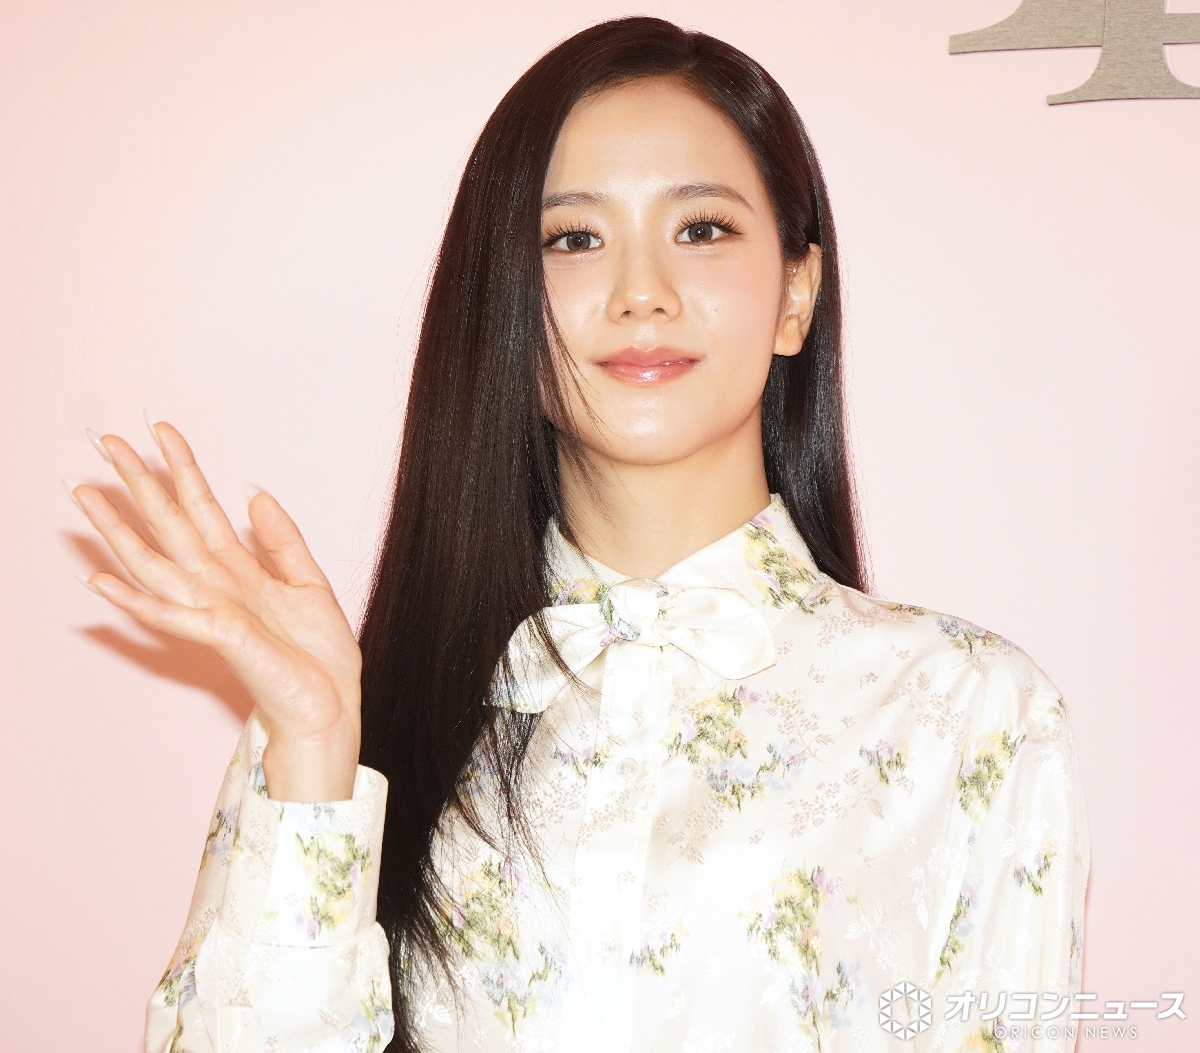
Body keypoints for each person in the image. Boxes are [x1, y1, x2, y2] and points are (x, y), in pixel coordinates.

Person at [69, 16, 1088, 1053]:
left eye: (702, 229)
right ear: (505, 306)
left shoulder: (969, 712)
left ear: (796, 295)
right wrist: (319, 757)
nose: (642, 293)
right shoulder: (337, 721)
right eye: (574, 240)